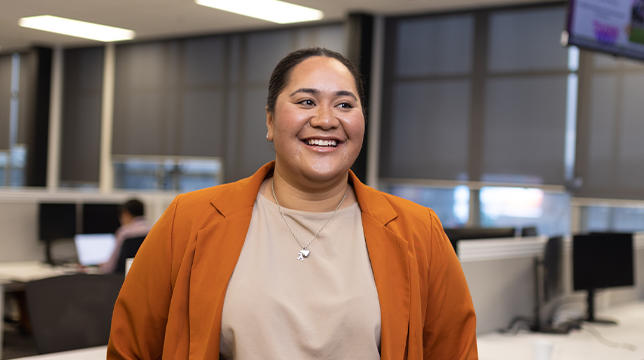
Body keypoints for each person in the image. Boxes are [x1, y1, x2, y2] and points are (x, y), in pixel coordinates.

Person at [108, 47, 478, 359]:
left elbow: (454, 350)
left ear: (362, 121)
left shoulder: (418, 231)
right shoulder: (188, 220)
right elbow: (131, 349)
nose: (325, 119)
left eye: (344, 104)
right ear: (270, 120)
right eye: (306, 101)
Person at [99, 199, 151, 274]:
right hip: (145, 276)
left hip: (122, 279)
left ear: (125, 213)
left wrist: (101, 266)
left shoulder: (124, 233)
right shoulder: (153, 230)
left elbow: (110, 267)